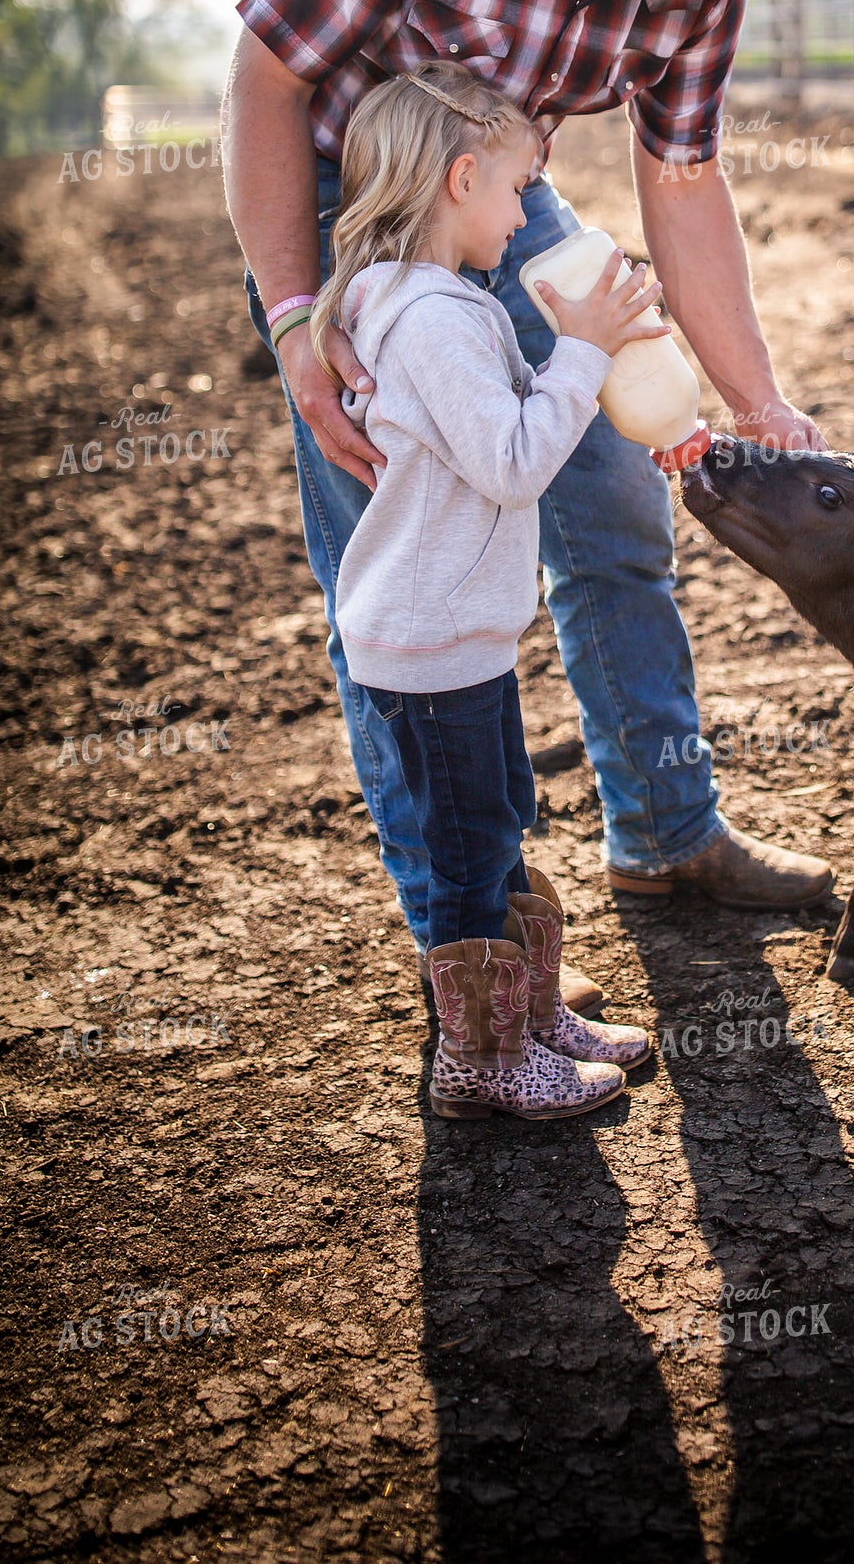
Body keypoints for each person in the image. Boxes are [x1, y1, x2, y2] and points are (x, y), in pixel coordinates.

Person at [223, 0, 840, 988]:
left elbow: (682, 179)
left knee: (614, 502)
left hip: (506, 190)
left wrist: (756, 395)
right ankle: (474, 942)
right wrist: (298, 323)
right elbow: (267, 84)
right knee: (398, 564)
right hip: (357, 198)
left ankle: (667, 835)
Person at [321, 61, 655, 1118]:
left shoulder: (444, 307)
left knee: (498, 822)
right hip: (431, 642)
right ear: (462, 180)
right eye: (517, 187)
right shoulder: (432, 321)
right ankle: (479, 1063)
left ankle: (531, 1017)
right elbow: (513, 462)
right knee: (467, 858)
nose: (525, 212)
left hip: (459, 636)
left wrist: (582, 346)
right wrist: (584, 355)